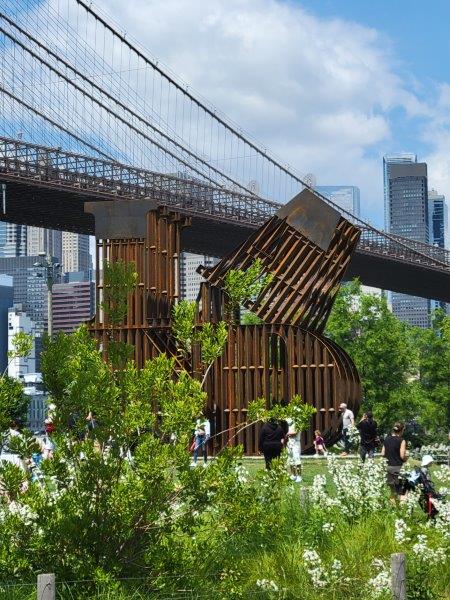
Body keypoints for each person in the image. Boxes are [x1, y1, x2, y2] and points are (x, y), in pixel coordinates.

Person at [381, 422, 407, 498]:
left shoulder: (386, 439)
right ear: (402, 430)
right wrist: (406, 458)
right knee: (401, 492)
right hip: (397, 468)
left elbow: (382, 453)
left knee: (393, 492)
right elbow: (402, 456)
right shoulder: (402, 440)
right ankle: (401, 509)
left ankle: (394, 508)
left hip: (388, 467)